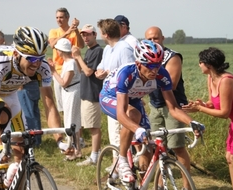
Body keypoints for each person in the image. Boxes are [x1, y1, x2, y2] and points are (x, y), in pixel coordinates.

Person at [0, 26, 66, 189]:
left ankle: (10, 180)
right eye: (32, 59)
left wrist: (60, 140)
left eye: (40, 58)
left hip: (9, 93)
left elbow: (49, 105)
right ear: (16, 54)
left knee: (21, 147)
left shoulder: (42, 68)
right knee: (2, 112)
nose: (37, 64)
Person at [99, 40, 204, 187]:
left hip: (134, 100)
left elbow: (173, 108)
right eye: (150, 66)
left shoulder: (162, 75)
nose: (154, 70)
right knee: (134, 116)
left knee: (148, 145)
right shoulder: (126, 74)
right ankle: (122, 161)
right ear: (138, 63)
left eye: (158, 65)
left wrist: (191, 122)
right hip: (110, 97)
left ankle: (139, 182)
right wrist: (136, 128)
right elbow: (122, 114)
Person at [182, 47, 233, 190]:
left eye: (200, 62)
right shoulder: (211, 78)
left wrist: (200, 109)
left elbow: (223, 113)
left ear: (208, 65)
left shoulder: (226, 81)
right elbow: (213, 104)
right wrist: (201, 105)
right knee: (230, 158)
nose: (199, 65)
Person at [145, 26, 191, 177]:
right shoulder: (144, 58)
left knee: (177, 147)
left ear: (163, 38)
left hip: (174, 106)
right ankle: (159, 183)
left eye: (156, 38)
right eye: (149, 39)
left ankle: (187, 186)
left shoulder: (172, 57)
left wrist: (146, 79)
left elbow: (171, 84)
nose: (153, 41)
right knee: (157, 146)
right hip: (155, 105)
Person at [95, 18, 135, 169]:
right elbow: (101, 67)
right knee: (114, 132)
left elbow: (130, 71)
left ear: (105, 34)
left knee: (123, 130)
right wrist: (99, 72)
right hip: (109, 93)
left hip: (122, 94)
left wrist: (110, 73)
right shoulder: (107, 49)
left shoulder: (124, 48)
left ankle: (121, 164)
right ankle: (116, 164)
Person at [71, 24, 103, 166]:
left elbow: (89, 72)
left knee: (94, 127)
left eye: (88, 34)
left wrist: (78, 57)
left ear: (95, 35)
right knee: (90, 126)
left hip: (93, 93)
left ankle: (94, 156)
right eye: (83, 35)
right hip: (86, 92)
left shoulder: (97, 51)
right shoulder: (89, 51)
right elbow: (82, 70)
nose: (85, 37)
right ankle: (95, 153)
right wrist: (77, 58)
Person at [48, 38, 82, 161]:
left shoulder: (70, 63)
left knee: (70, 121)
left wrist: (53, 72)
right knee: (74, 121)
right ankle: (76, 149)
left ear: (61, 51)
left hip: (71, 93)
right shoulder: (68, 63)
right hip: (71, 92)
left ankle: (72, 149)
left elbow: (64, 83)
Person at [48, 7, 84, 113]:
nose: (59, 20)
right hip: (59, 70)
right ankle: (64, 124)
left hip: (73, 69)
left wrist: (75, 29)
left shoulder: (76, 31)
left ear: (67, 18)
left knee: (74, 100)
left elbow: (81, 45)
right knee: (61, 102)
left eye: (61, 17)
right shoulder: (54, 31)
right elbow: (52, 44)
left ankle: (76, 126)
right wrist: (67, 32)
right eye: (57, 18)